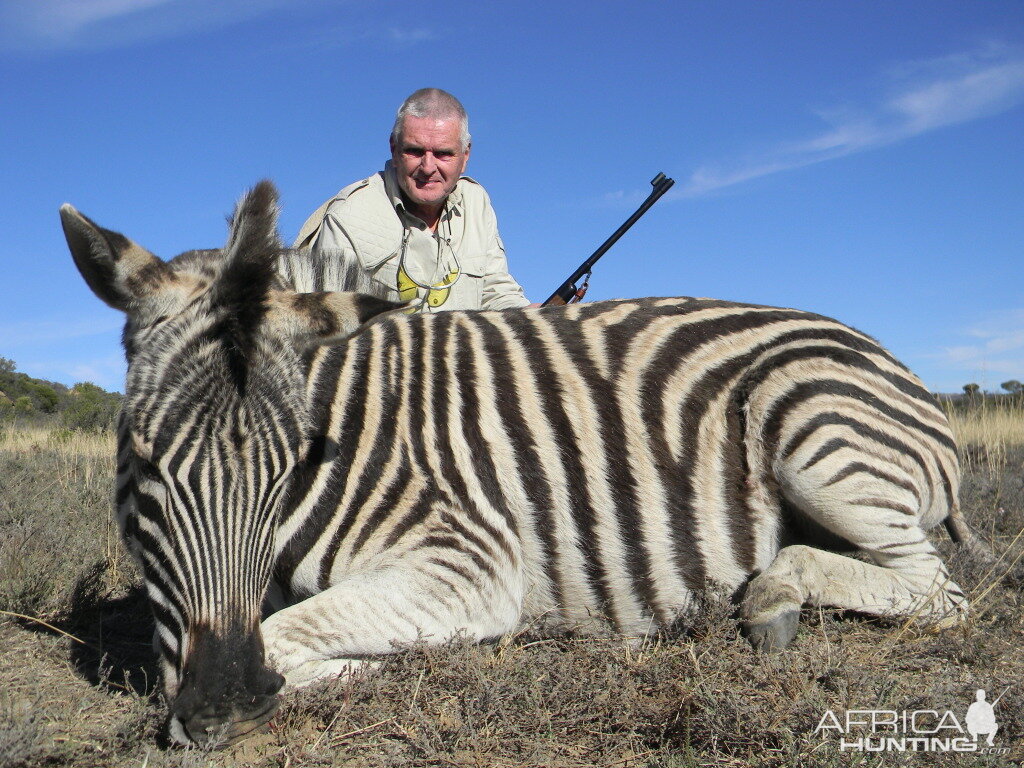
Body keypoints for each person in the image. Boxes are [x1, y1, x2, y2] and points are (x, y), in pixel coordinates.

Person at [294, 88, 530, 311]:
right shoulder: (348, 216)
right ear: (394, 150)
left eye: (443, 154)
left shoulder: (476, 202)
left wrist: (543, 316)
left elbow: (496, 293)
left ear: (465, 155)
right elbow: (330, 322)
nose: (428, 167)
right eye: (415, 151)